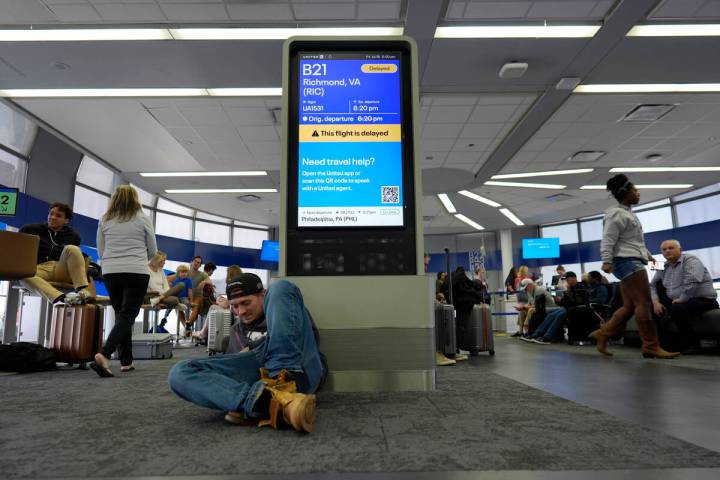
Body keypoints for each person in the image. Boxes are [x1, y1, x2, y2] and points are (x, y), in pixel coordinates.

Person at [168, 274, 327, 433]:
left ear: (262, 295)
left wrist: (254, 347)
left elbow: (309, 341)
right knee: (180, 372)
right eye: (235, 306)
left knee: (281, 286)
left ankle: (283, 381)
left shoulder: (284, 308)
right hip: (260, 379)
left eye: (246, 302)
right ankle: (267, 403)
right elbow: (235, 375)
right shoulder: (236, 332)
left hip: (299, 369)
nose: (241, 311)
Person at [589, 174, 679, 359]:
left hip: (631, 259)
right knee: (644, 303)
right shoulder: (616, 214)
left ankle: (602, 334)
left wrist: (649, 257)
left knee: (629, 305)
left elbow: (634, 242)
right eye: (635, 191)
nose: (638, 193)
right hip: (627, 262)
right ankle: (651, 345)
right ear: (625, 193)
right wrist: (606, 261)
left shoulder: (628, 213)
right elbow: (608, 239)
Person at [91, 185, 157, 377]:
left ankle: (126, 361)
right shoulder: (143, 218)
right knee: (128, 314)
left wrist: (112, 262)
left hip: (111, 271)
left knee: (122, 315)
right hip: (136, 270)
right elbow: (153, 249)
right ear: (135, 199)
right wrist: (140, 259)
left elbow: (100, 250)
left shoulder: (105, 219)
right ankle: (105, 353)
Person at [650, 239, 719, 353]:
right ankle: (664, 345)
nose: (667, 251)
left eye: (671, 248)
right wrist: (656, 302)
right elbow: (652, 285)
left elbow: (691, 282)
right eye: (664, 249)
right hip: (676, 300)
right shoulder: (662, 266)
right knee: (652, 309)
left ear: (680, 250)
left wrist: (682, 299)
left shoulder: (691, 260)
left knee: (678, 308)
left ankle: (691, 344)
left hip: (703, 300)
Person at [19, 202, 93, 304]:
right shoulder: (30, 229)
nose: (52, 217)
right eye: (51, 214)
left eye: (58, 215)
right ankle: (62, 298)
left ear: (66, 220)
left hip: (61, 268)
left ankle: (81, 290)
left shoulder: (73, 236)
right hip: (41, 268)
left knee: (73, 248)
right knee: (23, 275)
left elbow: (75, 256)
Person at [521, 272, 587, 344]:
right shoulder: (570, 288)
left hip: (573, 308)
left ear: (574, 278)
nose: (566, 281)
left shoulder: (580, 287)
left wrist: (562, 299)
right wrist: (560, 300)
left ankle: (547, 336)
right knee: (551, 315)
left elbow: (577, 301)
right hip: (567, 307)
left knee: (558, 315)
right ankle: (536, 334)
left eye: (568, 280)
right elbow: (567, 301)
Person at [146, 251, 185, 329]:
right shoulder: (147, 270)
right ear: (158, 260)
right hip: (152, 296)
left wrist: (166, 294)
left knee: (181, 285)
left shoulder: (161, 270)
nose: (165, 262)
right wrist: (167, 293)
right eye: (163, 260)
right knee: (174, 300)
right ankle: (176, 303)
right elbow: (153, 287)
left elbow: (166, 285)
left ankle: (159, 300)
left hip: (162, 296)